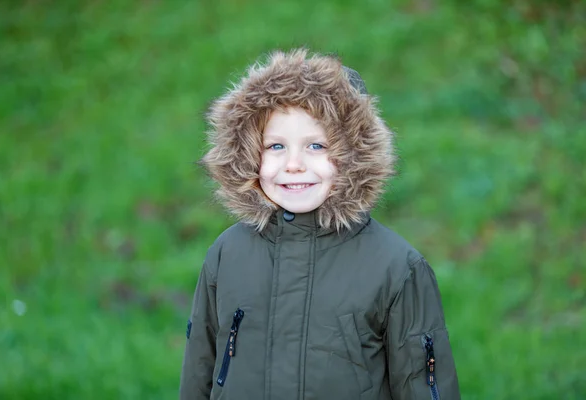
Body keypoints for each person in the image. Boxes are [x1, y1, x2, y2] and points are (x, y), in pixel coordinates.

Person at [179, 48, 460, 400]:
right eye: (276, 146)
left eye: (316, 145)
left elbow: (423, 382)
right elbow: (200, 366)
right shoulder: (227, 254)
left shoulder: (396, 267)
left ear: (354, 156)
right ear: (249, 153)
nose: (293, 164)